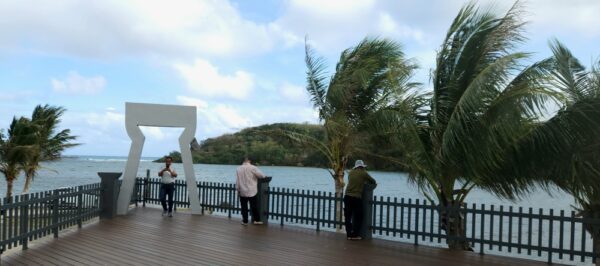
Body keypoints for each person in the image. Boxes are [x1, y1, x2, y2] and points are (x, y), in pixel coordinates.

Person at [344, 159, 377, 240]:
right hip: (356, 197)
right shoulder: (363, 173)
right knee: (359, 216)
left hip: (347, 196)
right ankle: (355, 235)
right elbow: (373, 181)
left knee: (348, 216)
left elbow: (353, 181)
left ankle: (349, 234)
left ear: (356, 166)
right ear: (362, 167)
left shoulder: (351, 172)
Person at [236, 157, 267, 225]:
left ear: (243, 161)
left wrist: (238, 189)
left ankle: (245, 221)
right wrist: (264, 176)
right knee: (254, 206)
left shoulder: (238, 168)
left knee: (244, 207)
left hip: (242, 191)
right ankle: (257, 220)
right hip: (251, 190)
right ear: (249, 161)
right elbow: (261, 175)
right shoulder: (253, 167)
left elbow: (237, 180)